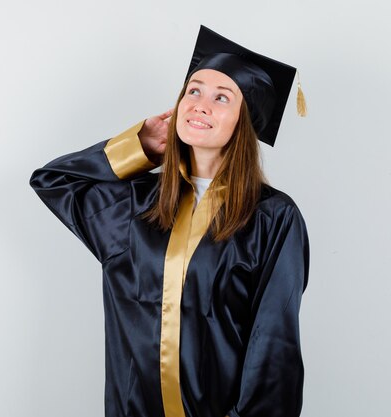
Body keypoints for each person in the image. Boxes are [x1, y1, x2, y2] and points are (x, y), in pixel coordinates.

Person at [29, 25, 309, 417]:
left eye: (221, 97)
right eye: (193, 90)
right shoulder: (134, 204)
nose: (200, 104)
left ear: (245, 122)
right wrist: (138, 146)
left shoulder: (271, 218)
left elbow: (273, 347)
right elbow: (53, 181)